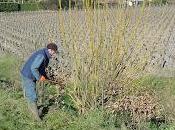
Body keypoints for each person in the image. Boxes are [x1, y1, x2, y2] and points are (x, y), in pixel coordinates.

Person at [21, 43, 58, 121]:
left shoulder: (45, 55)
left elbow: (41, 69)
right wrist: (39, 77)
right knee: (32, 96)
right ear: (50, 50)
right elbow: (34, 68)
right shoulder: (42, 56)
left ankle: (32, 112)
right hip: (28, 76)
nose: (54, 54)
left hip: (29, 74)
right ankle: (37, 119)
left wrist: (46, 77)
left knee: (30, 94)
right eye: (54, 52)